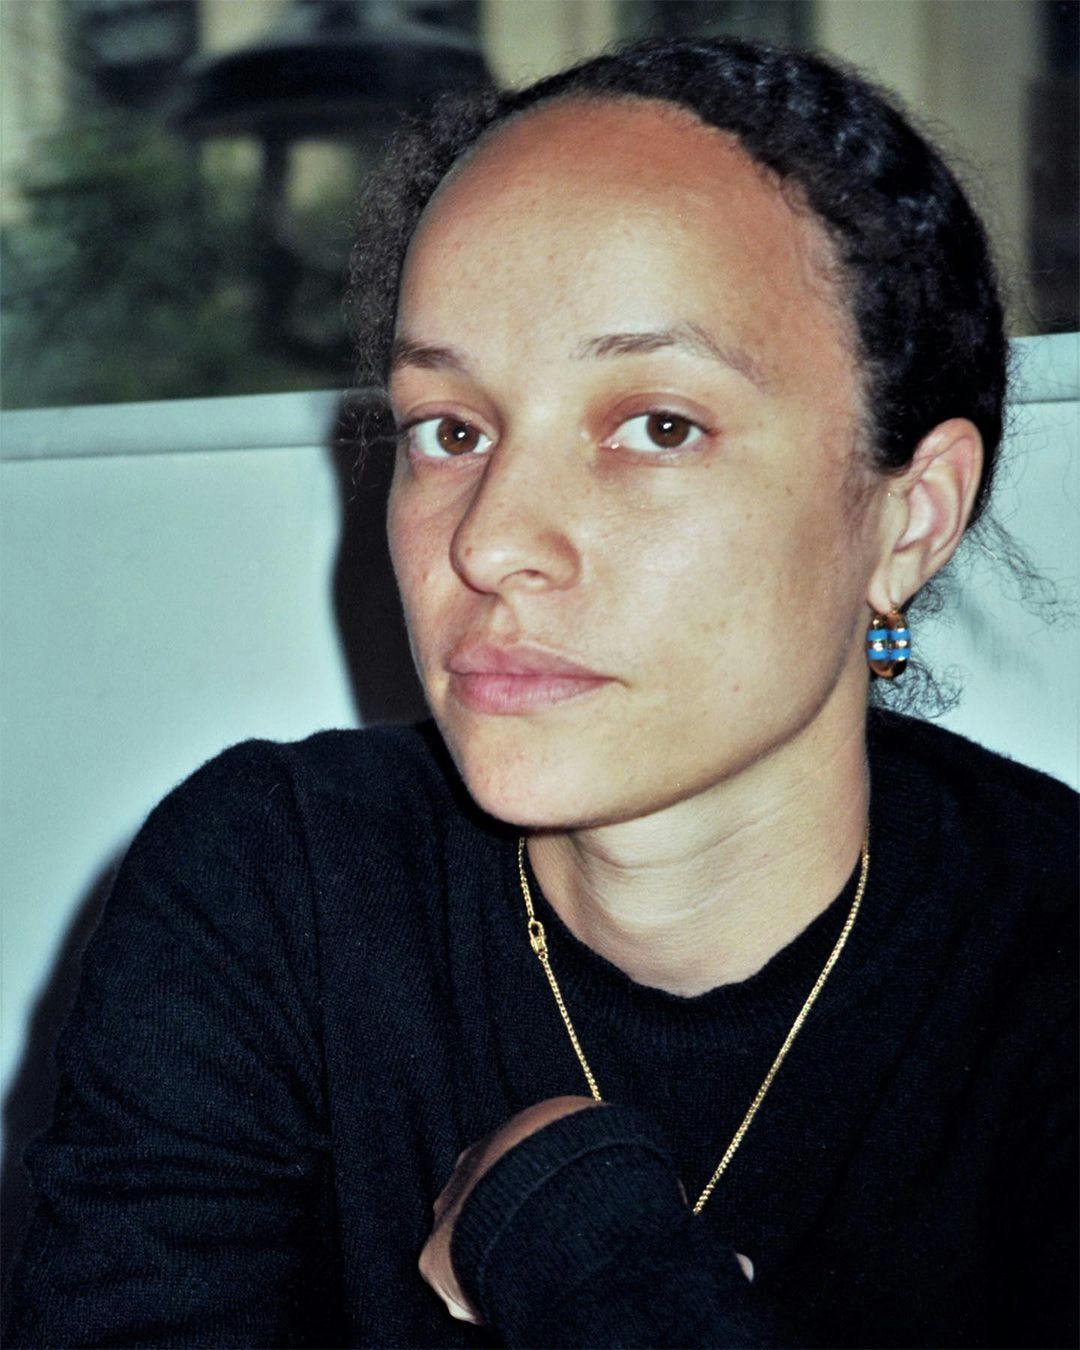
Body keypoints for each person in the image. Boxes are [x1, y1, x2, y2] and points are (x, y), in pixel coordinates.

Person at [4, 34, 1076, 1350]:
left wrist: (573, 1244)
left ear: (910, 520)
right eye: (450, 430)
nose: (491, 539)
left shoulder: (1049, 973)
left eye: (658, 426)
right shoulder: (275, 886)